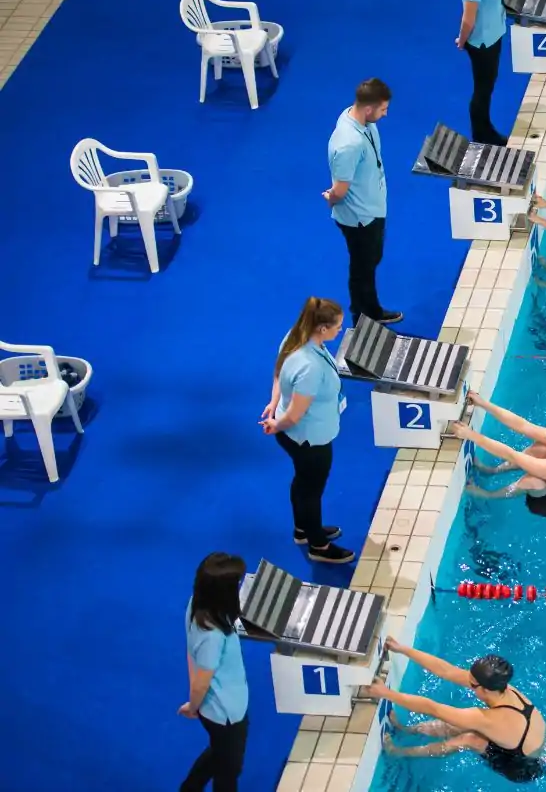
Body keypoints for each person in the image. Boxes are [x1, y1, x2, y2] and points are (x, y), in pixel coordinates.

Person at [259, 296, 355, 564]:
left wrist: (273, 402)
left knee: (302, 482)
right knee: (311, 490)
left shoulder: (295, 336)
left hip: (294, 434)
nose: (340, 331)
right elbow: (295, 415)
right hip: (308, 439)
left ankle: (303, 528)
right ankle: (318, 546)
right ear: (322, 328)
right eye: (337, 327)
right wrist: (276, 422)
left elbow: (278, 373)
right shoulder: (310, 367)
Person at [373, 638, 546, 782]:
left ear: (486, 690)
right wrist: (403, 649)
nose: (469, 685)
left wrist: (387, 693)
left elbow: (432, 708)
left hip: (522, 765)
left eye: (472, 685)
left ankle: (398, 752)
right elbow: (447, 671)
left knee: (470, 738)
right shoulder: (501, 687)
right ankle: (407, 730)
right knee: (459, 724)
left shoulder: (489, 718)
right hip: (528, 743)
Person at [325, 78, 402, 326]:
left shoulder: (360, 119)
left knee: (371, 259)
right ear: (369, 109)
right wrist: (331, 198)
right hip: (359, 217)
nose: (386, 114)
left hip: (372, 207)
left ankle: (366, 307)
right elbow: (339, 189)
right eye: (383, 109)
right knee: (363, 268)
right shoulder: (349, 143)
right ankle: (364, 315)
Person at [451, 391, 546, 519]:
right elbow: (524, 426)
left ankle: (488, 496)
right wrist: (483, 403)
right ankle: (493, 471)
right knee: (541, 448)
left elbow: (511, 454)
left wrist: (471, 435)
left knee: (533, 480)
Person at [179, 552, 249, 792]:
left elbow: (191, 654)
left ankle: (189, 788)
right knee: (229, 770)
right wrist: (193, 706)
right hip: (226, 713)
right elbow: (202, 683)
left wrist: (195, 700)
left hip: (215, 711)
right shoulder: (213, 635)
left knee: (220, 753)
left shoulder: (195, 606)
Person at [456, 0, 510, 147]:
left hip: (492, 36)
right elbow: (468, 17)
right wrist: (462, 40)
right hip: (482, 42)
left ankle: (485, 127)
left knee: (487, 85)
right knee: (482, 88)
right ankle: (480, 133)